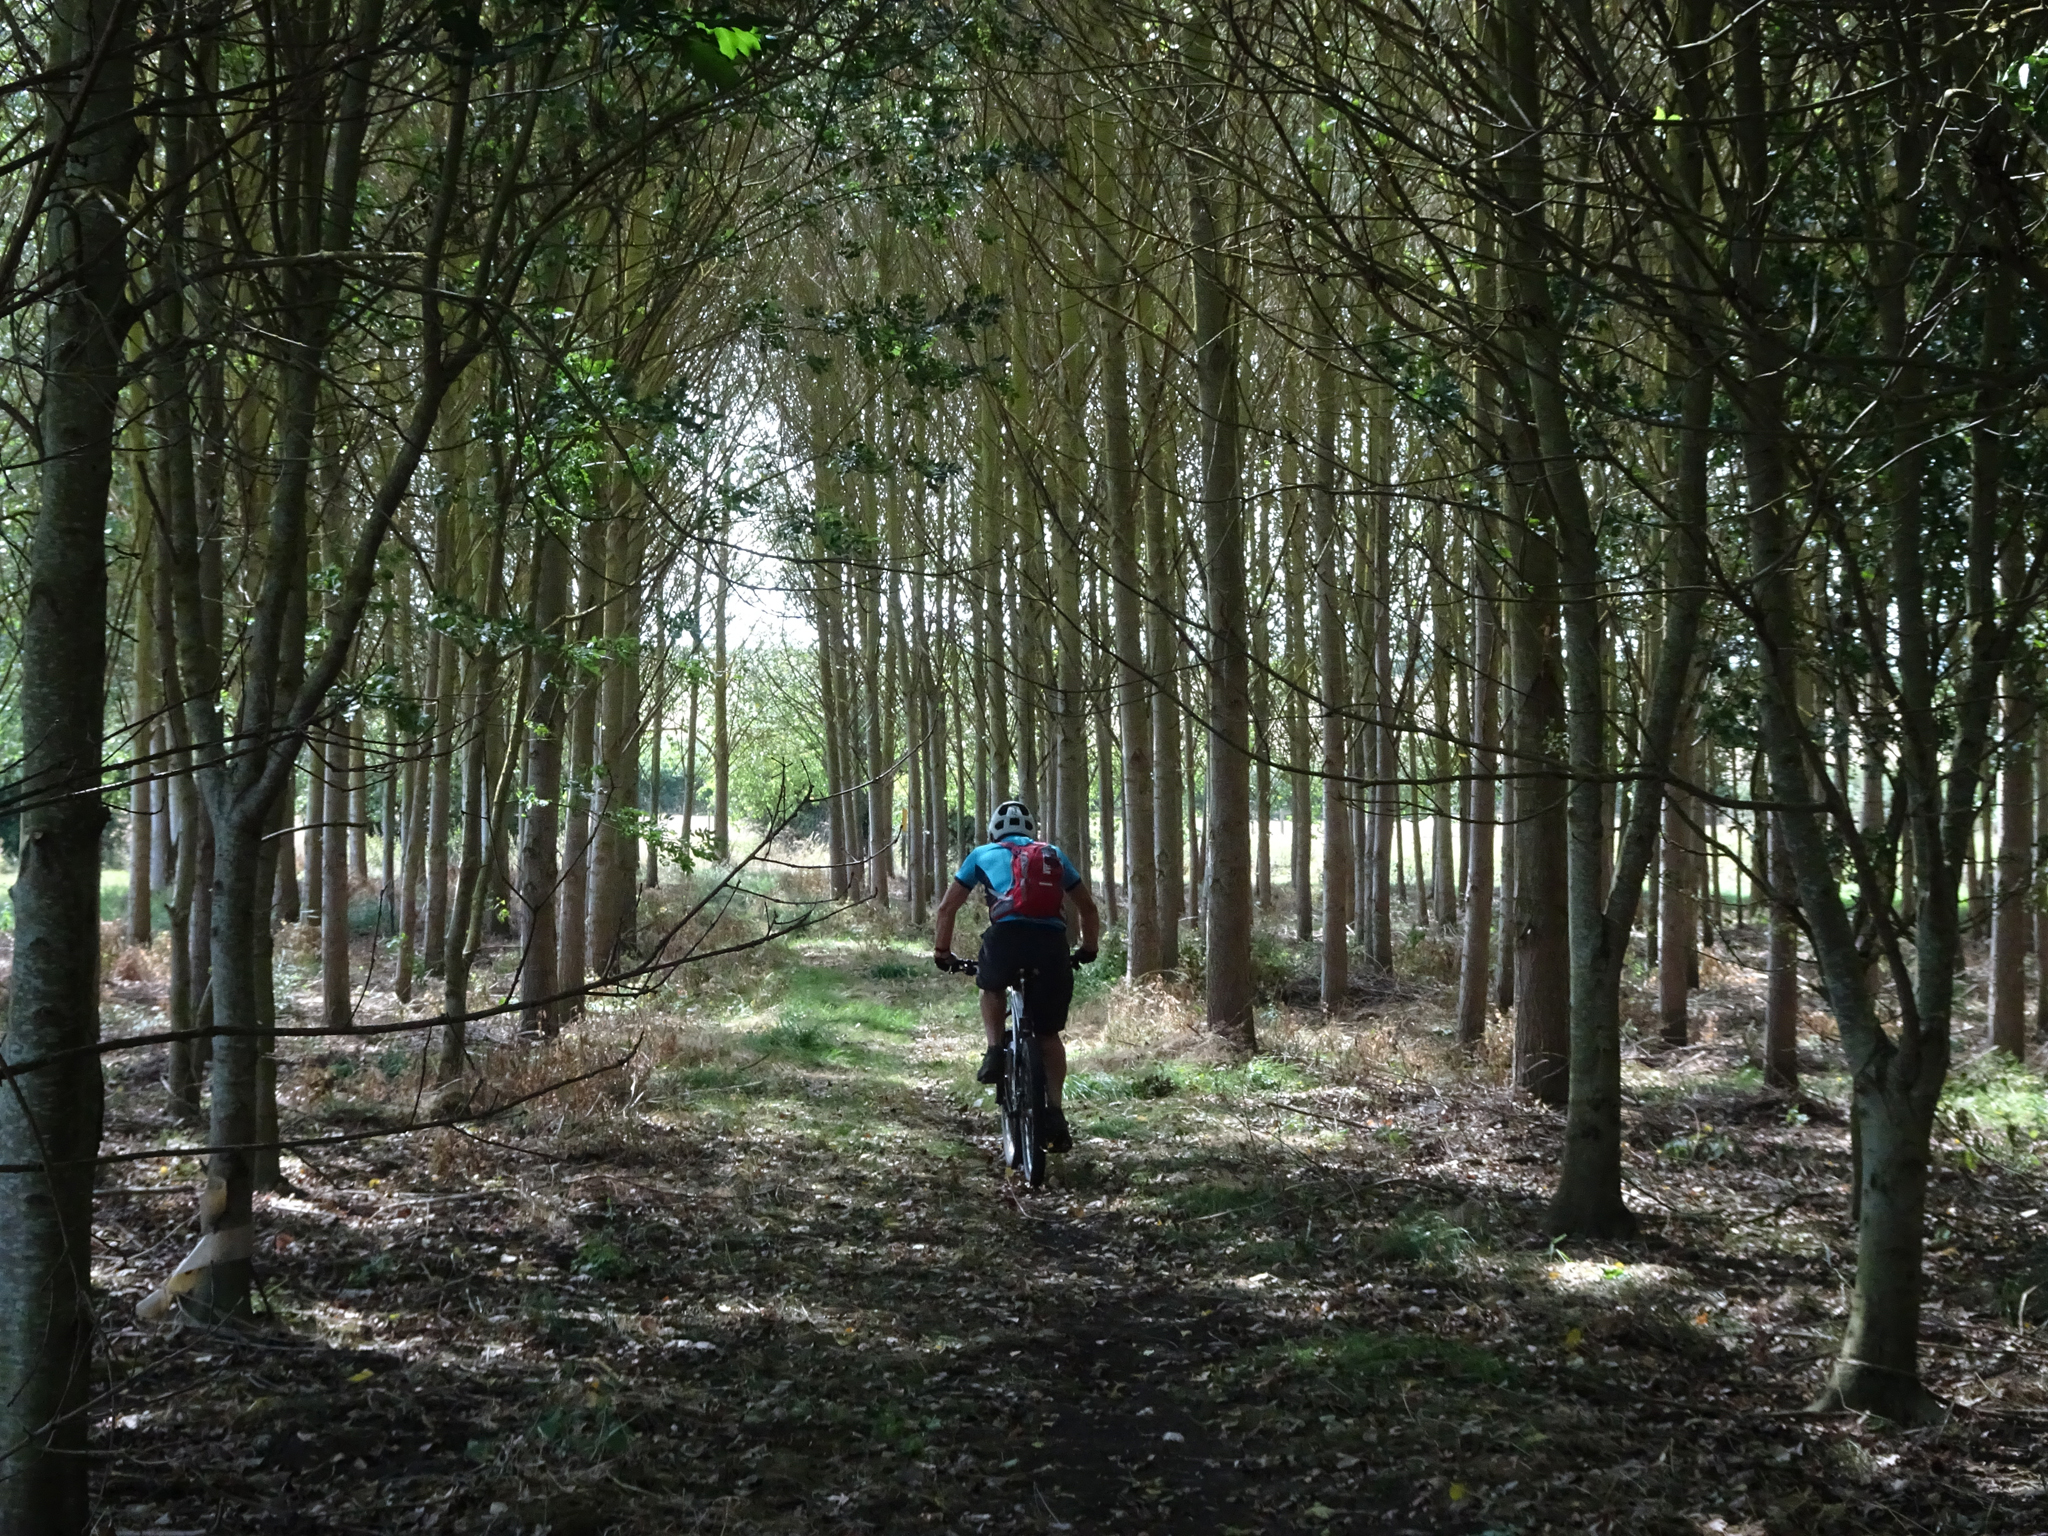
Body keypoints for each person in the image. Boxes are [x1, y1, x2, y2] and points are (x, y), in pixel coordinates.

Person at [932, 799, 1099, 1154]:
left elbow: (948, 908)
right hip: (1051, 944)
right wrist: (1088, 949)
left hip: (1005, 939)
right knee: (1048, 1034)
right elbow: (1088, 907)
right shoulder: (1053, 854)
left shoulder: (981, 854)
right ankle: (1055, 1111)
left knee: (990, 986)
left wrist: (942, 953)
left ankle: (994, 1051)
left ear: (994, 831)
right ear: (1031, 831)